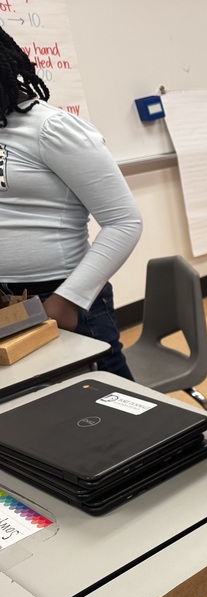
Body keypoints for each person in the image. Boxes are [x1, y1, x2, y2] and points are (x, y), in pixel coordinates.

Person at [0, 27, 141, 379]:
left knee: (108, 402)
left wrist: (68, 300)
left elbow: (125, 222)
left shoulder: (52, 129)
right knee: (37, 409)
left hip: (64, 294)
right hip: (7, 299)